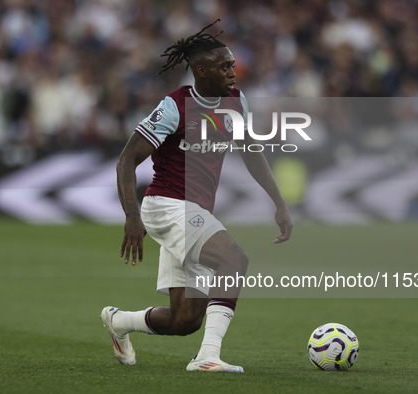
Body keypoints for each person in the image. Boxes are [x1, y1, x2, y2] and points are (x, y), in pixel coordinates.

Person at [101, 20, 293, 373]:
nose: (233, 72)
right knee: (235, 259)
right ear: (201, 71)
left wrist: (278, 202)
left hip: (193, 211)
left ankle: (119, 321)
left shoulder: (236, 102)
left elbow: (250, 151)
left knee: (184, 320)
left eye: (233, 65)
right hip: (167, 205)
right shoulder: (175, 107)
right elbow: (127, 159)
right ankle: (208, 358)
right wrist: (132, 215)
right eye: (225, 66)